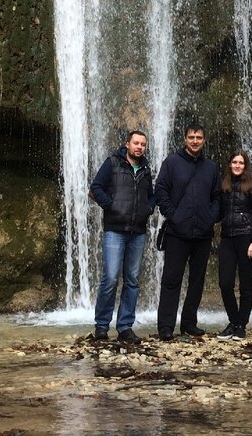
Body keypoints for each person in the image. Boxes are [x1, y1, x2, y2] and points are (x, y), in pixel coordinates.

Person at [153, 123, 220, 340]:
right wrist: (173, 215)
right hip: (177, 232)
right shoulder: (172, 162)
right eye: (191, 137)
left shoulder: (210, 166)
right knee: (171, 279)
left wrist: (210, 217)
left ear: (204, 140)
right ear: (185, 139)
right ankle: (165, 327)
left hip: (203, 232)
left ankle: (189, 323)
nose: (194, 141)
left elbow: (218, 197)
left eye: (199, 137)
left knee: (197, 280)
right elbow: (160, 190)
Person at [89, 130, 155, 343]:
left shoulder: (146, 169)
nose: (139, 147)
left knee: (132, 281)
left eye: (143, 144)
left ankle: (125, 326)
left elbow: (150, 195)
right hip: (115, 230)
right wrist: (110, 205)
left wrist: (149, 208)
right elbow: (96, 187)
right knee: (110, 278)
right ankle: (101, 325)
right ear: (127, 144)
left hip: (138, 231)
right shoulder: (112, 162)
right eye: (136, 143)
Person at [216, 150, 252, 339]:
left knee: (245, 285)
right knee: (225, 283)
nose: (237, 165)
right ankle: (234, 321)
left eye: (241, 163)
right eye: (234, 162)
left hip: (246, 238)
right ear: (229, 164)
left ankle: (241, 324)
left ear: (245, 166)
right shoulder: (224, 185)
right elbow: (219, 211)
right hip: (227, 238)